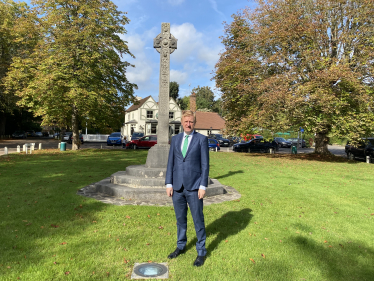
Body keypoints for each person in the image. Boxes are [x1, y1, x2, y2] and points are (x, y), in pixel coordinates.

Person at [165, 110, 209, 267]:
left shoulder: (201, 140)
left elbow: (205, 165)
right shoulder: (175, 139)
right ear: (182, 122)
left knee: (198, 220)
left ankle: (201, 251)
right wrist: (168, 183)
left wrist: (203, 186)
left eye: (191, 121)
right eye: (186, 121)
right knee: (180, 219)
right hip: (177, 187)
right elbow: (171, 163)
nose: (188, 124)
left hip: (194, 187)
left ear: (194, 123)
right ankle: (180, 246)